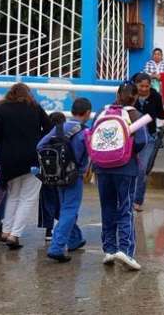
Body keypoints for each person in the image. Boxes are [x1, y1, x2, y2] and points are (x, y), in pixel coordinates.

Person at [0, 83, 51, 249]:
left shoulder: (1, 108)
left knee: (13, 195)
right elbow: (49, 128)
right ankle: (14, 235)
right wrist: (37, 139)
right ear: (28, 94)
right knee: (27, 198)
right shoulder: (34, 107)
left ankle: (6, 231)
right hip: (32, 159)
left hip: (8, 160)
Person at [95, 82, 148, 271]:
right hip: (125, 168)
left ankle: (109, 250)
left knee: (107, 207)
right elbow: (142, 141)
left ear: (117, 94)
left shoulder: (103, 112)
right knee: (124, 207)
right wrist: (127, 151)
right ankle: (125, 251)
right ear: (135, 97)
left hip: (102, 167)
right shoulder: (134, 115)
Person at [38, 98, 92, 263]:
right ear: (88, 113)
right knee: (69, 210)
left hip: (56, 175)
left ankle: (75, 239)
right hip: (74, 176)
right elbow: (91, 155)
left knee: (65, 209)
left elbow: (40, 146)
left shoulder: (58, 128)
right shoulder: (85, 132)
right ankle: (57, 247)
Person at [132, 73, 164, 212]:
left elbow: (160, 114)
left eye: (147, 86)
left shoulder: (156, 96)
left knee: (142, 170)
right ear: (136, 85)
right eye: (141, 86)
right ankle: (125, 197)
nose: (145, 89)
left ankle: (137, 200)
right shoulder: (130, 95)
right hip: (131, 136)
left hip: (149, 138)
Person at [38, 112, 67, 241]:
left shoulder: (45, 136)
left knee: (47, 201)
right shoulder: (65, 136)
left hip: (46, 175)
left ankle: (48, 229)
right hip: (62, 175)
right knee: (62, 200)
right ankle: (61, 225)